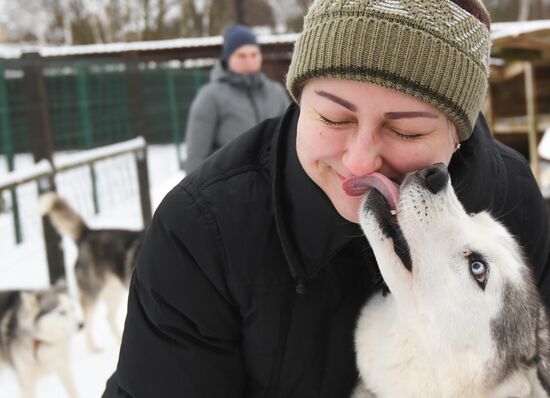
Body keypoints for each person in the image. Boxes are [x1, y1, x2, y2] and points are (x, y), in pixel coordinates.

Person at [103, 1, 550, 397]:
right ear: (299, 101)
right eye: (333, 117)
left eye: (405, 131)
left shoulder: (510, 197)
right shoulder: (202, 232)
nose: (358, 163)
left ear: (457, 135)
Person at [183, 24, 290, 173]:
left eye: (254, 54)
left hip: (275, 186)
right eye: (241, 55)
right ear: (228, 59)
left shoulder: (276, 92)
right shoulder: (210, 96)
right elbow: (195, 157)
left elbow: (291, 139)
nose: (249, 61)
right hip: (230, 190)